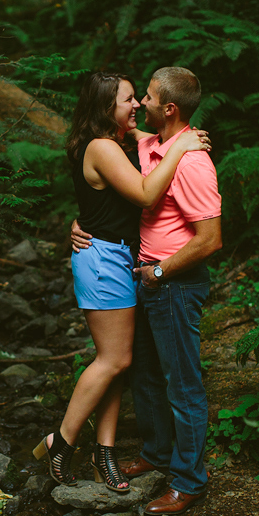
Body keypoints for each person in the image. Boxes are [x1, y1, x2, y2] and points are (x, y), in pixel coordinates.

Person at [34, 71, 210, 492]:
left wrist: (82, 221)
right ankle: (62, 440)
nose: (136, 106)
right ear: (105, 108)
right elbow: (147, 194)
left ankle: (105, 451)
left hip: (119, 255)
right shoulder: (101, 147)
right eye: (129, 100)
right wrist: (182, 144)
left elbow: (106, 200)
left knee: (121, 361)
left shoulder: (122, 143)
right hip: (105, 260)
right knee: (113, 360)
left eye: (139, 98)